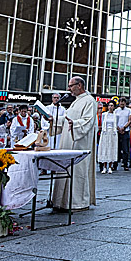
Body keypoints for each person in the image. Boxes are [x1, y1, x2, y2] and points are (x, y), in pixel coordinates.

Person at [52, 76, 98, 211]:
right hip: (68, 141)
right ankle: (61, 202)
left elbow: (88, 121)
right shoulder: (76, 101)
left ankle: (77, 203)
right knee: (65, 170)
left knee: (77, 171)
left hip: (79, 143)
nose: (69, 89)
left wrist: (75, 124)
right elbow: (67, 119)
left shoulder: (89, 101)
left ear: (79, 85)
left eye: (71, 86)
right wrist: (52, 119)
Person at [96, 101, 119, 174]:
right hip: (105, 133)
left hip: (112, 133)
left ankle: (110, 167)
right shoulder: (104, 114)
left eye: (112, 105)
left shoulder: (116, 115)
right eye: (109, 105)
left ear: (114, 107)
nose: (110, 107)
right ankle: (104, 167)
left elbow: (116, 125)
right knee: (105, 149)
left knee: (111, 149)